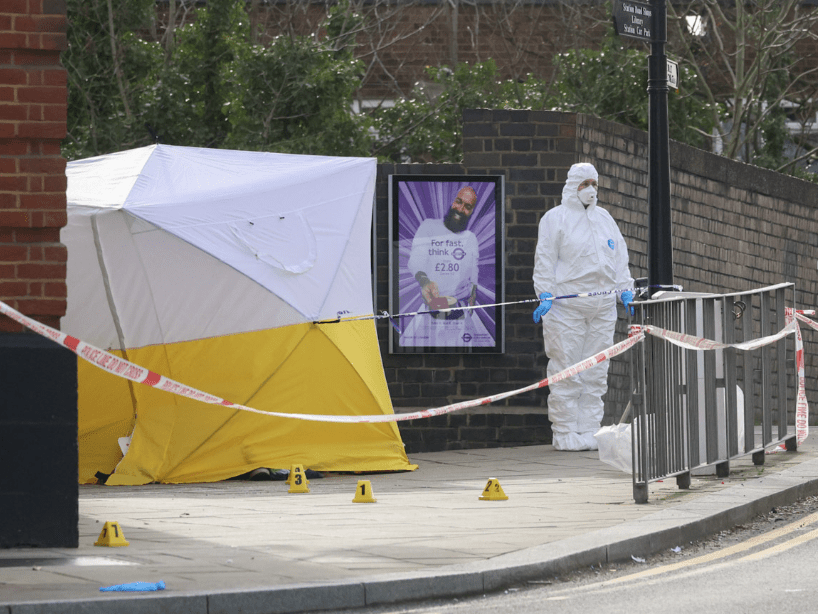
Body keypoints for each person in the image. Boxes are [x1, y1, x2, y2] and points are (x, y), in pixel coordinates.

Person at [532, 163, 634, 451]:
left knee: (596, 372)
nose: (591, 189)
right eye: (584, 183)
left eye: (594, 183)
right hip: (567, 308)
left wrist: (625, 291)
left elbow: (619, 259)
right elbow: (545, 261)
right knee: (567, 369)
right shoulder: (556, 219)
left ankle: (589, 429)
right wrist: (546, 295)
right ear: (572, 185)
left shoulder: (605, 219)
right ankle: (565, 432)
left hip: (602, 308)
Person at [404, 186, 480, 345]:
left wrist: (472, 297)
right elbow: (415, 260)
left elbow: (474, 273)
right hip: (431, 309)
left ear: (472, 211)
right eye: (458, 202)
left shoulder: (471, 238)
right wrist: (425, 281)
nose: (460, 209)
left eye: (467, 207)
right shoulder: (429, 226)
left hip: (459, 313)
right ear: (453, 201)